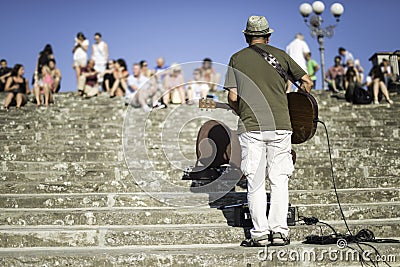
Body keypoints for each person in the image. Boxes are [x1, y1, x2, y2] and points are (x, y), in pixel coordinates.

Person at [224, 15, 312, 247]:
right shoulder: (281, 55)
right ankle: (280, 232)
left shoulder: (237, 58)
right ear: (268, 36)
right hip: (281, 124)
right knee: (279, 180)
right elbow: (307, 81)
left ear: (246, 37)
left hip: (251, 125)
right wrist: (292, 99)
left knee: (255, 181)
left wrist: (240, 111)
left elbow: (232, 97)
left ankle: (260, 233)